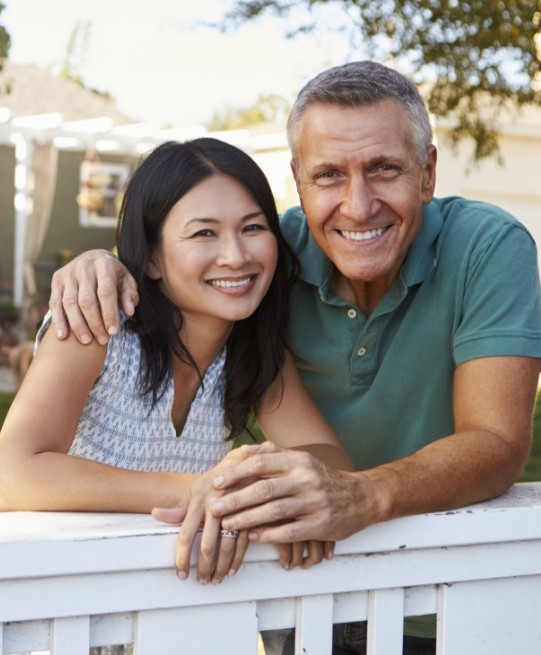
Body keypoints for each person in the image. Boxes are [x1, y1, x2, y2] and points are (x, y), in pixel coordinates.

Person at [45, 62, 541, 654]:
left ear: (428, 171)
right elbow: (189, 260)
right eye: (329, 175)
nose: (358, 206)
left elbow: (496, 441)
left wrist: (356, 494)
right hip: (298, 592)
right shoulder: (268, 259)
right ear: (299, 182)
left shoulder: (487, 247)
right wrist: (103, 262)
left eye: (384, 168)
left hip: (447, 600)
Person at [0, 137, 353, 588]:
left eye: (252, 227)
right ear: (150, 257)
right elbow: (12, 473)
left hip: (176, 606)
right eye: (204, 232)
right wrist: (208, 490)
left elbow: (333, 464)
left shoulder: (253, 352)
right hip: (65, 600)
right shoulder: (97, 326)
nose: (236, 255)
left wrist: (252, 483)